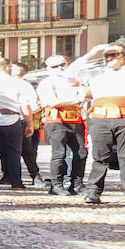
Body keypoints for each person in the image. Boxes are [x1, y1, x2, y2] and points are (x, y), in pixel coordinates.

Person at [79, 42, 125, 205]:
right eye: (107, 55)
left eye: (114, 55)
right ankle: (93, 191)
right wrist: (92, 52)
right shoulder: (95, 72)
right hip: (101, 117)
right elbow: (69, 74)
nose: (110, 58)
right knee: (100, 156)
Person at [0, 58, 35, 189]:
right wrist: (30, 123)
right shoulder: (16, 83)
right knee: (14, 152)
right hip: (12, 118)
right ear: (8, 67)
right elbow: (25, 105)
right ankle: (16, 182)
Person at [36, 54, 86, 195]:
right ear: (48, 69)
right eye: (54, 66)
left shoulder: (74, 81)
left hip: (75, 120)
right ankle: (56, 185)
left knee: (81, 153)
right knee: (59, 153)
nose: (59, 68)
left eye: (62, 64)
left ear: (67, 64)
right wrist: (76, 100)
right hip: (56, 121)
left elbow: (86, 96)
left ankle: (77, 184)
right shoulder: (46, 83)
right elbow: (52, 102)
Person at [11, 63, 44, 187]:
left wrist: (29, 121)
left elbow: (32, 104)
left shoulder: (25, 85)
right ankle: (8, 174)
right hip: (14, 118)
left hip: (21, 118)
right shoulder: (7, 83)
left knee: (26, 149)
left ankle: (35, 175)